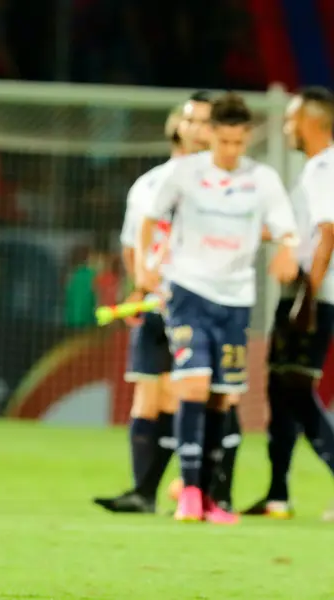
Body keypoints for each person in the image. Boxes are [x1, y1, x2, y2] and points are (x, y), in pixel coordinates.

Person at [138, 92, 299, 524]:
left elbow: (287, 229)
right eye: (223, 141)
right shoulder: (185, 173)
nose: (230, 151)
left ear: (247, 138)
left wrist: (287, 250)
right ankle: (189, 493)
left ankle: (209, 496)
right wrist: (144, 266)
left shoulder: (261, 179)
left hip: (236, 299)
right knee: (191, 385)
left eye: (237, 142)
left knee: (223, 397)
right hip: (189, 291)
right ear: (211, 136)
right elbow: (149, 218)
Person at [94, 94, 212, 514]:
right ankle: (143, 492)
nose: (199, 128)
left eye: (206, 121)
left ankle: (199, 487)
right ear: (176, 125)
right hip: (155, 302)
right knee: (148, 394)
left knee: (192, 394)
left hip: (199, 303)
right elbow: (132, 244)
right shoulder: (148, 183)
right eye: (191, 119)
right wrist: (140, 287)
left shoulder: (217, 183)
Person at [243, 86, 334, 520]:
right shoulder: (316, 169)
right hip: (305, 291)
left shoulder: (323, 168)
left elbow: (329, 232)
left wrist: (308, 298)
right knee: (280, 390)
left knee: (294, 389)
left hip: (313, 294)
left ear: (312, 123)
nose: (286, 126)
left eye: (292, 119)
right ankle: (277, 493)